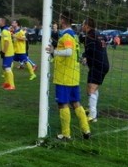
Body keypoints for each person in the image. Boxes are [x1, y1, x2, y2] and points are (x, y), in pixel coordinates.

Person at [46, 11, 91, 140]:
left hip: (64, 76)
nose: (58, 21)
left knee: (63, 104)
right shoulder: (74, 36)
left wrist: (54, 51)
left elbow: (69, 52)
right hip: (73, 75)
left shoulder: (67, 36)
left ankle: (66, 134)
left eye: (60, 18)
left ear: (63, 20)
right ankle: (86, 130)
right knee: (76, 102)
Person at [81, 18, 110, 122]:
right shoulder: (98, 34)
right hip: (100, 64)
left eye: (83, 24)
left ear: (87, 26)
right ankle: (90, 109)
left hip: (98, 65)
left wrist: (84, 57)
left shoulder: (90, 36)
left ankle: (93, 115)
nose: (82, 26)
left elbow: (91, 50)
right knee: (90, 87)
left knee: (92, 88)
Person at [0, 17, 15, 90]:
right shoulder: (5, 30)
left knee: (7, 68)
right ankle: (7, 83)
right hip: (8, 52)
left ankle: (12, 85)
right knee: (4, 68)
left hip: (8, 52)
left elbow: (7, 42)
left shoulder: (5, 31)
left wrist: (3, 52)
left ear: (2, 22)